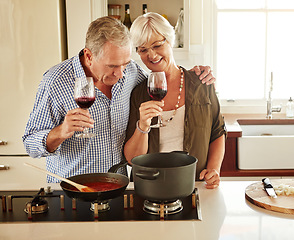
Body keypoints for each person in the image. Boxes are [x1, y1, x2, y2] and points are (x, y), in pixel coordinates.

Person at [22, 16, 215, 182]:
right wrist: (61, 131)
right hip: (73, 190)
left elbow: (163, 80)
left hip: (117, 188)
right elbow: (30, 144)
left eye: (125, 63)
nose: (120, 73)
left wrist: (194, 76)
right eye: (112, 66)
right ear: (89, 56)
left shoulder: (131, 72)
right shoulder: (56, 81)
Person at [124, 13, 226, 189]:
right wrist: (143, 126)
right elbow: (132, 159)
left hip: (194, 184)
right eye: (143, 50)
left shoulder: (202, 83)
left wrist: (214, 169)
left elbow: (217, 132)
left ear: (170, 40)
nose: (152, 55)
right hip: (150, 188)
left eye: (157, 45)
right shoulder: (138, 93)